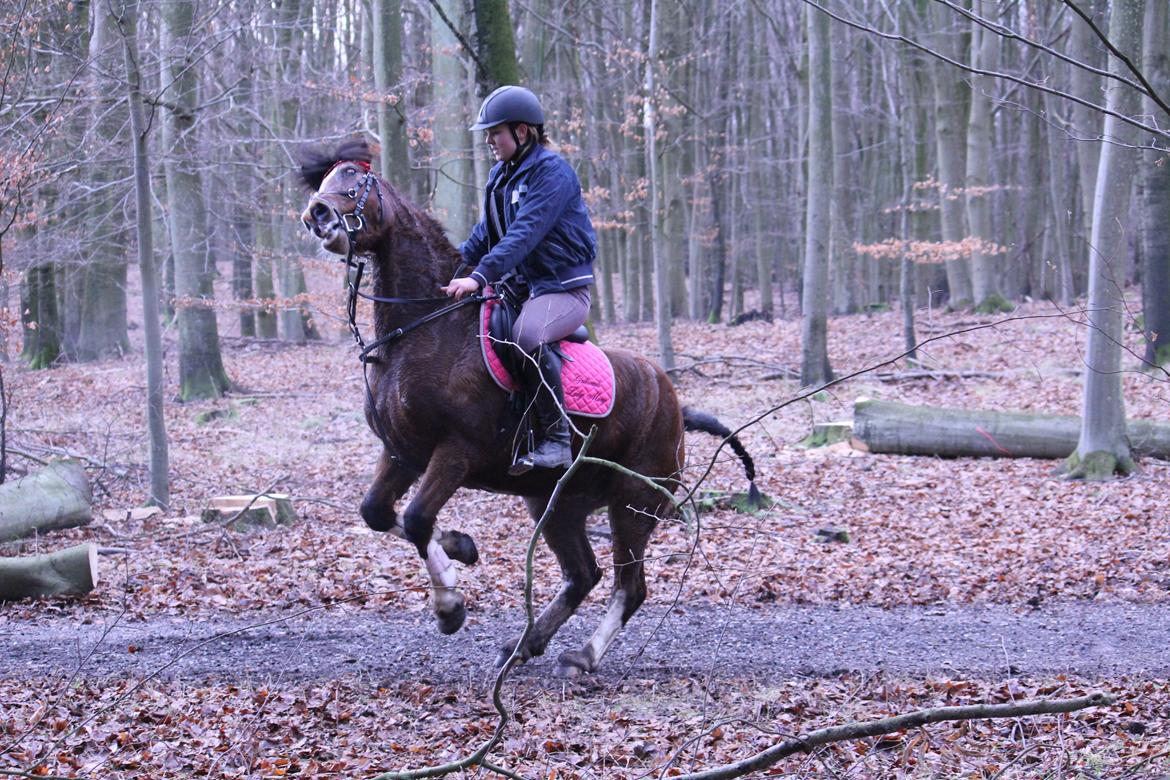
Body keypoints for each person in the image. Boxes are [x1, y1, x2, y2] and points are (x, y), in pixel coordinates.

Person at [441, 85, 597, 474]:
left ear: (522, 131)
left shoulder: (553, 173)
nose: (490, 141)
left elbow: (523, 235)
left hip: (564, 292)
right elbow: (485, 234)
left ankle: (558, 439)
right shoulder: (501, 175)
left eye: (495, 133)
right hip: (522, 291)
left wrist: (480, 277)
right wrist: (449, 268)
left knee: (528, 335)